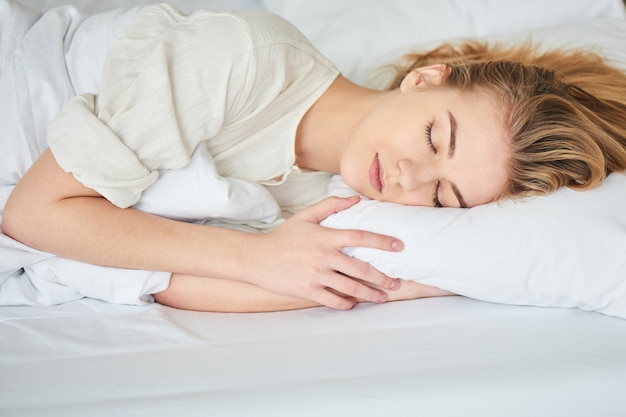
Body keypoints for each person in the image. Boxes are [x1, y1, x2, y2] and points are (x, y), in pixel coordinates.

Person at [3, 4, 626, 312]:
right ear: (426, 78)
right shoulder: (243, 58)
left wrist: (417, 285)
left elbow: (167, 280)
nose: (411, 178)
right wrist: (253, 257)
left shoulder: (318, 194)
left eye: (442, 197)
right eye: (436, 139)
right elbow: (32, 215)